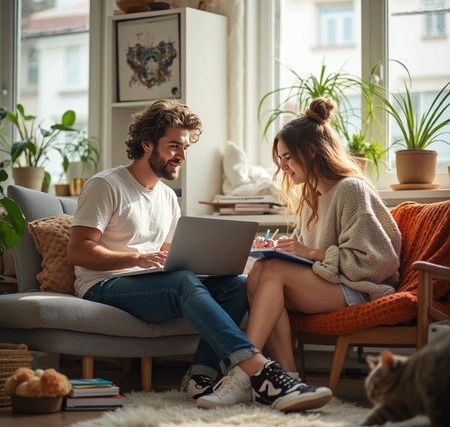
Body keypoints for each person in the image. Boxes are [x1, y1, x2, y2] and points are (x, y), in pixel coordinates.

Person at [67, 98, 333, 412]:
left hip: (149, 283)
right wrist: (134, 258)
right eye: (173, 147)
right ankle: (261, 371)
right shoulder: (106, 185)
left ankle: (200, 375)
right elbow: (78, 251)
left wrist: (202, 261)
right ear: (147, 143)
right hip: (103, 285)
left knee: (235, 282)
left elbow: (166, 256)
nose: (181, 156)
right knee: (181, 281)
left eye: (185, 148)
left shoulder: (167, 197)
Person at [242, 97, 401, 379]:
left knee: (272, 273)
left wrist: (311, 254)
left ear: (311, 151)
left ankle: (244, 370)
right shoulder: (310, 199)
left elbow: (377, 263)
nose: (283, 167)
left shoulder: (350, 190)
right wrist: (281, 250)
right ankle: (287, 378)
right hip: (328, 282)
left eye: (288, 157)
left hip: (358, 288)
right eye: (280, 159)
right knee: (259, 272)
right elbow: (304, 255)